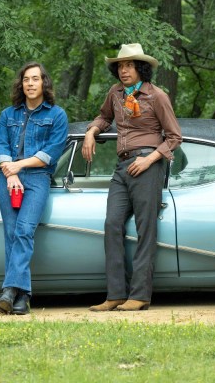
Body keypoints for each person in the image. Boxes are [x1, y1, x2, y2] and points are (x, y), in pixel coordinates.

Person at [83, 43, 182, 312]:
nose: (123, 70)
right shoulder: (115, 93)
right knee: (112, 225)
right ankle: (115, 294)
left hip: (147, 164)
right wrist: (91, 132)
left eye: (129, 65)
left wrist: (150, 159)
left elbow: (174, 137)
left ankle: (139, 296)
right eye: (120, 66)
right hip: (122, 165)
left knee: (145, 229)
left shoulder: (156, 96)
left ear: (141, 68)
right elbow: (104, 117)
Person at [0, 62, 68, 315]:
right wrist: (9, 170)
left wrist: (18, 166)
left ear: (44, 83)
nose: (31, 83)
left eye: (36, 79)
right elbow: (0, 147)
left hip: (37, 177)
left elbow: (51, 153)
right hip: (7, 177)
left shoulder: (56, 115)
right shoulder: (8, 115)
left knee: (24, 230)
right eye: (26, 79)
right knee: (12, 232)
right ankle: (22, 296)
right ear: (21, 84)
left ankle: (9, 290)